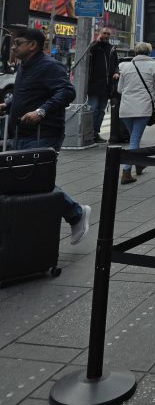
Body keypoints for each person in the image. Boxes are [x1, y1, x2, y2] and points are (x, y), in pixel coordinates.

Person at [0, 27, 90, 244]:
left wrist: (41, 111)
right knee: (24, 180)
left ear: (32, 45)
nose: (13, 47)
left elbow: (67, 91)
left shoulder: (49, 66)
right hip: (21, 133)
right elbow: (29, 94)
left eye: (18, 43)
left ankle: (76, 213)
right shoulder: (25, 65)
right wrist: (7, 105)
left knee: (35, 180)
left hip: (43, 133)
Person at [117, 42, 155, 185]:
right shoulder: (153, 66)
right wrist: (153, 93)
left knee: (133, 138)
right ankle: (126, 172)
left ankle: (139, 164)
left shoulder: (125, 66)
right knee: (135, 139)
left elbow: (119, 89)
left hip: (125, 108)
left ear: (135, 52)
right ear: (149, 52)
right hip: (143, 107)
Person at [86, 27, 119, 142]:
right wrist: (96, 42)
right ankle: (89, 133)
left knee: (101, 110)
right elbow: (88, 54)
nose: (106, 36)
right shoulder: (94, 47)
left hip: (106, 86)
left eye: (108, 34)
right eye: (104, 33)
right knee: (93, 109)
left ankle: (95, 133)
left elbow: (116, 64)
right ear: (99, 34)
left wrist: (116, 72)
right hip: (94, 85)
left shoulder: (111, 49)